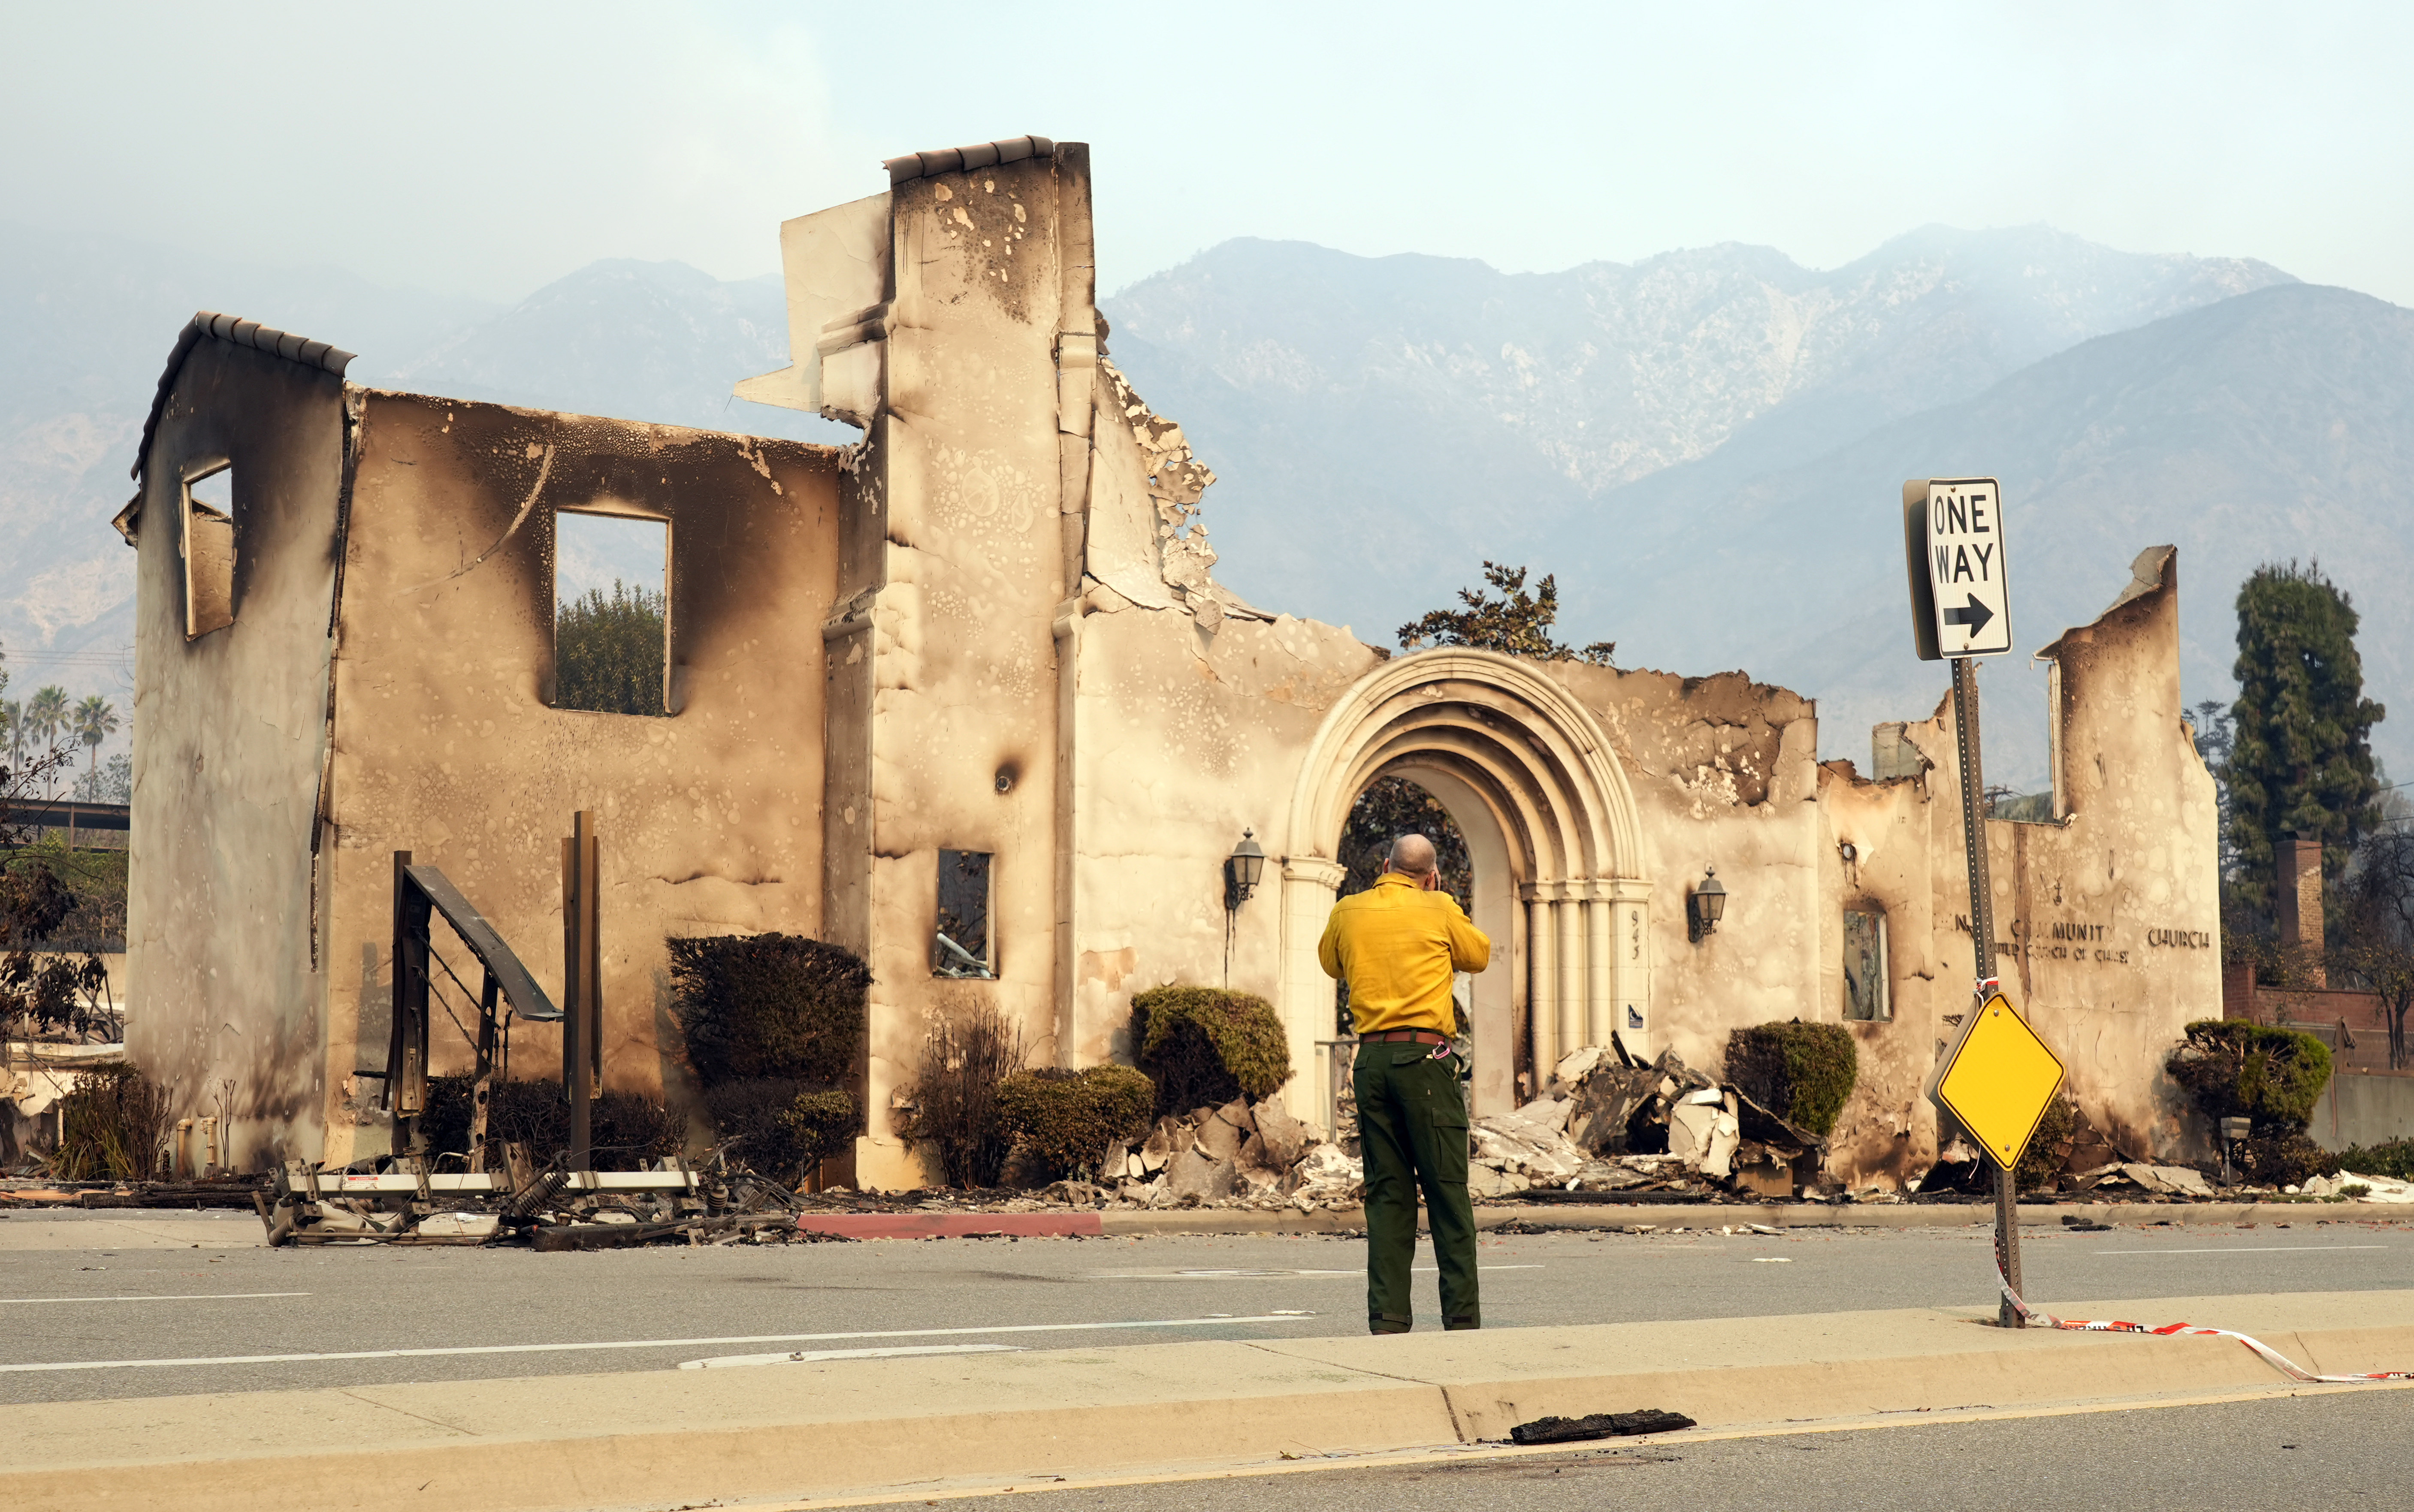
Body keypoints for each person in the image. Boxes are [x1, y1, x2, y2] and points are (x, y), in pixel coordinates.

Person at [1317, 833, 1491, 1334]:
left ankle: (1388, 1318)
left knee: (1387, 1194)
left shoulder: (1348, 911)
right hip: (1425, 1061)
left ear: (1386, 865)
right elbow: (1478, 955)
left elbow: (1331, 964)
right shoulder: (1437, 906)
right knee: (1446, 1192)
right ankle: (1460, 1316)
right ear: (1429, 873)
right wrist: (1438, 900)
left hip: (1371, 1061)